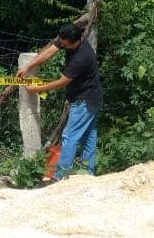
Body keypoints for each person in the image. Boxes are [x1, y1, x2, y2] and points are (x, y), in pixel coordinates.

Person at [17, 22, 103, 182]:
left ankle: (59, 177)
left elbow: (62, 82)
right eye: (61, 42)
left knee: (69, 136)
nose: (61, 45)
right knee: (88, 136)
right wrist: (28, 66)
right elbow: (49, 52)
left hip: (85, 101)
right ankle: (87, 175)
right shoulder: (68, 39)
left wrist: (37, 89)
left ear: (75, 41)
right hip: (91, 97)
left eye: (64, 44)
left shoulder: (81, 57)